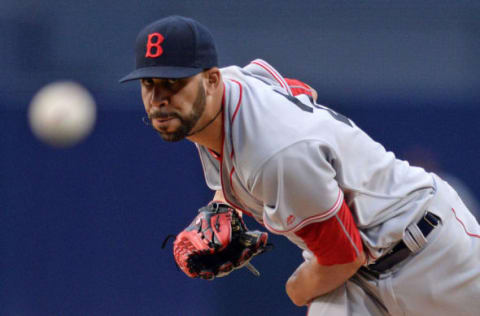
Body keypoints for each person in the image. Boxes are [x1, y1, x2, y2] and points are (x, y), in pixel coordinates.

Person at [120, 15, 480, 315]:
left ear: (211, 80)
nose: (160, 99)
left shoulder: (275, 154)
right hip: (356, 282)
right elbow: (299, 91)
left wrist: (295, 289)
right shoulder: (233, 86)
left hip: (432, 253)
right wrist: (222, 203)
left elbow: (344, 256)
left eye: (174, 83)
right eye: (149, 84)